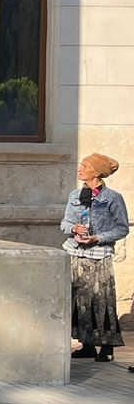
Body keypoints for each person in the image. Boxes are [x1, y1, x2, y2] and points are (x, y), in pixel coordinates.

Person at [63, 153, 128, 363]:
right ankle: (87, 344)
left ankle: (107, 347)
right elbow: (64, 223)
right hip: (76, 253)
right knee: (79, 301)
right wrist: (74, 228)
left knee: (102, 300)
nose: (80, 169)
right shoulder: (75, 195)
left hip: (99, 255)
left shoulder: (113, 198)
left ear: (97, 172)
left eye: (85, 166)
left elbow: (122, 228)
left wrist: (98, 238)